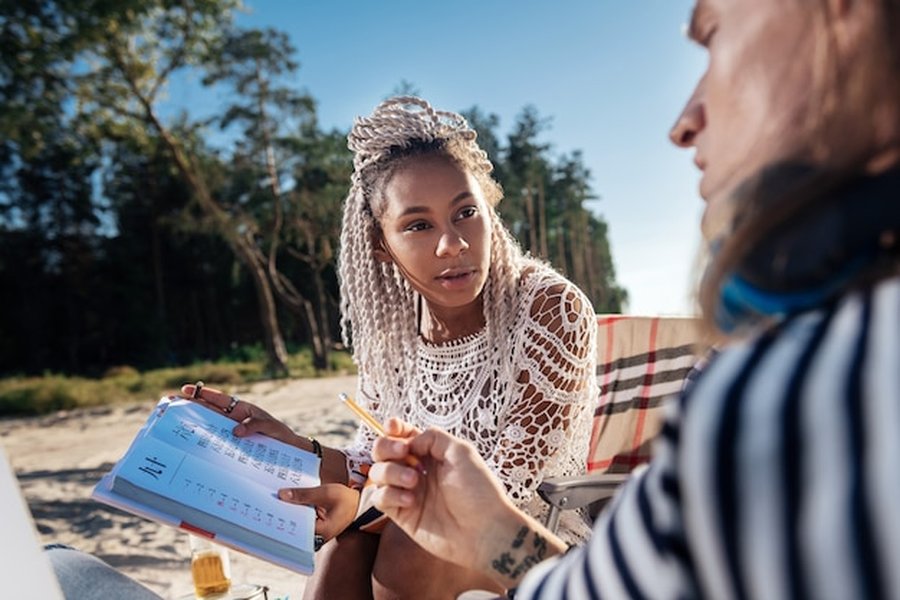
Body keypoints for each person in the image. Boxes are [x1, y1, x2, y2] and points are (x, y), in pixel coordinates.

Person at [368, 0, 900, 598]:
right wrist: (488, 532)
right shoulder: (795, 370)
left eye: (716, 38)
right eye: (416, 226)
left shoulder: (792, 385)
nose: (683, 122)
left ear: (848, 18)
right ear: (382, 248)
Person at [186, 96, 599, 599]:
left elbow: (503, 490)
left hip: (528, 538)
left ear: (489, 212)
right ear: (382, 244)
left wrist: (363, 505)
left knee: (393, 543)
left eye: (466, 212)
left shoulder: (550, 309)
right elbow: (369, 458)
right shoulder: (393, 328)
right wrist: (293, 445)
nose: (453, 244)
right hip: (410, 517)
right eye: (419, 225)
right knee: (347, 546)